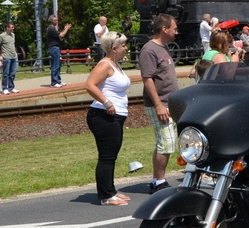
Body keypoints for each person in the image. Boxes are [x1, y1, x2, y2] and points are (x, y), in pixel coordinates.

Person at [84, 31, 133, 205]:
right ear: (114, 48)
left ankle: (110, 190)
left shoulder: (115, 64)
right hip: (103, 116)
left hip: (115, 116)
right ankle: (106, 196)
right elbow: (89, 85)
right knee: (106, 156)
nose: (126, 48)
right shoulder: (105, 65)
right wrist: (107, 103)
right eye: (123, 45)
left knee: (111, 155)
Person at [139, 13, 179, 194]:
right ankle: (160, 182)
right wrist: (158, 105)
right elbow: (147, 80)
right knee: (167, 143)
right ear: (164, 29)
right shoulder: (149, 50)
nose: (176, 32)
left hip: (168, 102)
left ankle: (156, 180)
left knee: (163, 142)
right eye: (174, 28)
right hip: (160, 103)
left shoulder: (163, 48)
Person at [46, 14, 72, 87]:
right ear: (52, 21)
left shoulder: (53, 28)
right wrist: (66, 29)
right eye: (56, 20)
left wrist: (64, 29)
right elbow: (61, 35)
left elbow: (60, 34)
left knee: (58, 65)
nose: (57, 21)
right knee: (55, 65)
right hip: (54, 48)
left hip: (56, 48)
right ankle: (54, 82)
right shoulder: (50, 29)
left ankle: (58, 80)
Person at [0, 21, 19, 94]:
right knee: (6, 73)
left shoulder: (13, 35)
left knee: (12, 73)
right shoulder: (1, 36)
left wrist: (15, 53)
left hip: (13, 56)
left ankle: (11, 87)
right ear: (7, 28)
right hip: (6, 57)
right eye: (12, 27)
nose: (13, 28)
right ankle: (4, 88)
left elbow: (13, 45)